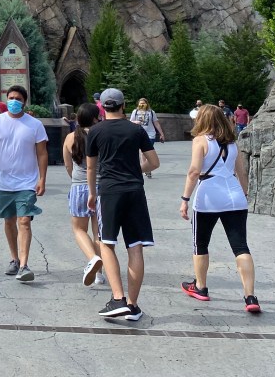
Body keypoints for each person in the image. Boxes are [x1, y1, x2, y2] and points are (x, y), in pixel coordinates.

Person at [179, 104, 261, 314]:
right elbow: (242, 172)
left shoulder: (200, 140)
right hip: (234, 196)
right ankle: (250, 296)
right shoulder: (233, 143)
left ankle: (200, 286)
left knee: (200, 243)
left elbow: (194, 172)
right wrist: (244, 194)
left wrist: (185, 199)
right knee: (240, 246)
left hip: (208, 197)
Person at [86, 87, 160, 321]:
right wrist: (136, 170)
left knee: (107, 243)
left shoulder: (95, 131)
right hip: (134, 191)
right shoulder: (136, 130)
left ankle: (118, 298)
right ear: (123, 105)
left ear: (102, 107)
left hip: (109, 191)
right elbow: (154, 162)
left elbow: (91, 167)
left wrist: (91, 193)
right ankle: (133, 305)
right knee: (135, 246)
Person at [0, 85, 47, 283]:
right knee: (9, 220)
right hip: (3, 181)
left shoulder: (35, 125)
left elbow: (42, 153)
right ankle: (15, 259)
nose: (13, 101)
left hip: (26, 182)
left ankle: (25, 265)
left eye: (18, 98)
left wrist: (42, 179)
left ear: (24, 102)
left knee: (24, 221)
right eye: (10, 98)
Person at [63, 102, 105, 287]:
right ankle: (99, 275)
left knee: (79, 229)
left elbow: (68, 165)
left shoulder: (70, 137)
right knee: (98, 233)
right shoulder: (102, 135)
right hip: (102, 187)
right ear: (96, 118)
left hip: (79, 187)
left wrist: (75, 179)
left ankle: (92, 258)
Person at [129, 98, 165, 178]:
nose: (142, 105)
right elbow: (131, 122)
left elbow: (156, 123)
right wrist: (136, 122)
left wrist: (161, 134)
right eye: (140, 103)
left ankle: (146, 168)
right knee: (142, 152)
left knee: (147, 151)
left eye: (143, 103)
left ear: (147, 104)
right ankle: (146, 169)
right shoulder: (135, 112)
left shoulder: (151, 112)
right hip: (139, 133)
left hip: (150, 134)